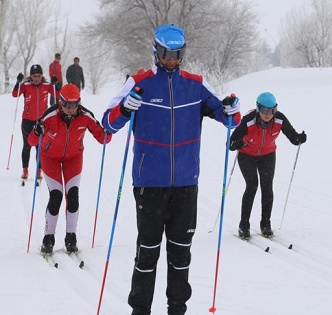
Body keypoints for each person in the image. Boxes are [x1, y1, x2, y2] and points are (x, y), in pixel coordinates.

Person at [101, 24, 241, 315]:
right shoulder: (138, 83)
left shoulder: (195, 84)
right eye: (166, 53)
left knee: (181, 252)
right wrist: (126, 109)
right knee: (148, 251)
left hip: (185, 184)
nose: (172, 60)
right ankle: (140, 309)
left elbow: (230, 119)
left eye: (177, 54)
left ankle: (177, 308)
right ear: (156, 51)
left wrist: (232, 109)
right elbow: (108, 124)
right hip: (149, 183)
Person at [28, 84, 111, 254]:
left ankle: (71, 237)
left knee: (72, 195)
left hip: (73, 158)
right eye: (67, 105)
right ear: (60, 101)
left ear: (79, 103)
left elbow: (103, 138)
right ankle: (48, 238)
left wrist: (109, 127)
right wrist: (37, 132)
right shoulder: (49, 116)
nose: (70, 109)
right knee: (56, 195)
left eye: (74, 105)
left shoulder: (86, 116)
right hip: (49, 158)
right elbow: (31, 141)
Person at [229, 92, 307, 239]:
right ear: (258, 109)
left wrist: (299, 139)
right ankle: (244, 225)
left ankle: (265, 223)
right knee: (252, 186)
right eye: (264, 110)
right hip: (247, 155)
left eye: (272, 111)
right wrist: (236, 144)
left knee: (267, 187)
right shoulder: (248, 121)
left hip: (267, 155)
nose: (268, 115)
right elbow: (230, 143)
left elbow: (293, 137)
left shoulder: (279, 119)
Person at [12, 64, 59, 183]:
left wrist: (55, 84)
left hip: (42, 121)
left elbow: (58, 94)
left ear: (42, 76)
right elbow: (15, 94)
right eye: (34, 76)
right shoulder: (26, 85)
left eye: (38, 76)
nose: (36, 78)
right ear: (30, 76)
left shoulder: (47, 85)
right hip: (27, 121)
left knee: (40, 147)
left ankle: (39, 170)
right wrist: (18, 82)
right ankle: (25, 169)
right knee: (27, 146)